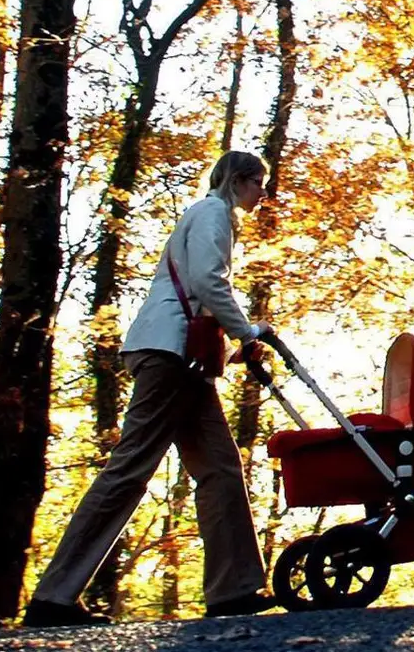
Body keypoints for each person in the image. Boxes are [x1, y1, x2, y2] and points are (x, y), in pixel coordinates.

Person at [23, 150, 277, 627]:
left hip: (184, 357)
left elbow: (206, 285)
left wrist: (238, 333)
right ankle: (54, 597)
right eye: (259, 182)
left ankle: (234, 589)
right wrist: (246, 332)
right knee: (130, 468)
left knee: (220, 468)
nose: (263, 192)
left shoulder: (215, 217)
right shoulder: (211, 213)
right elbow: (206, 279)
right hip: (168, 352)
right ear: (240, 180)